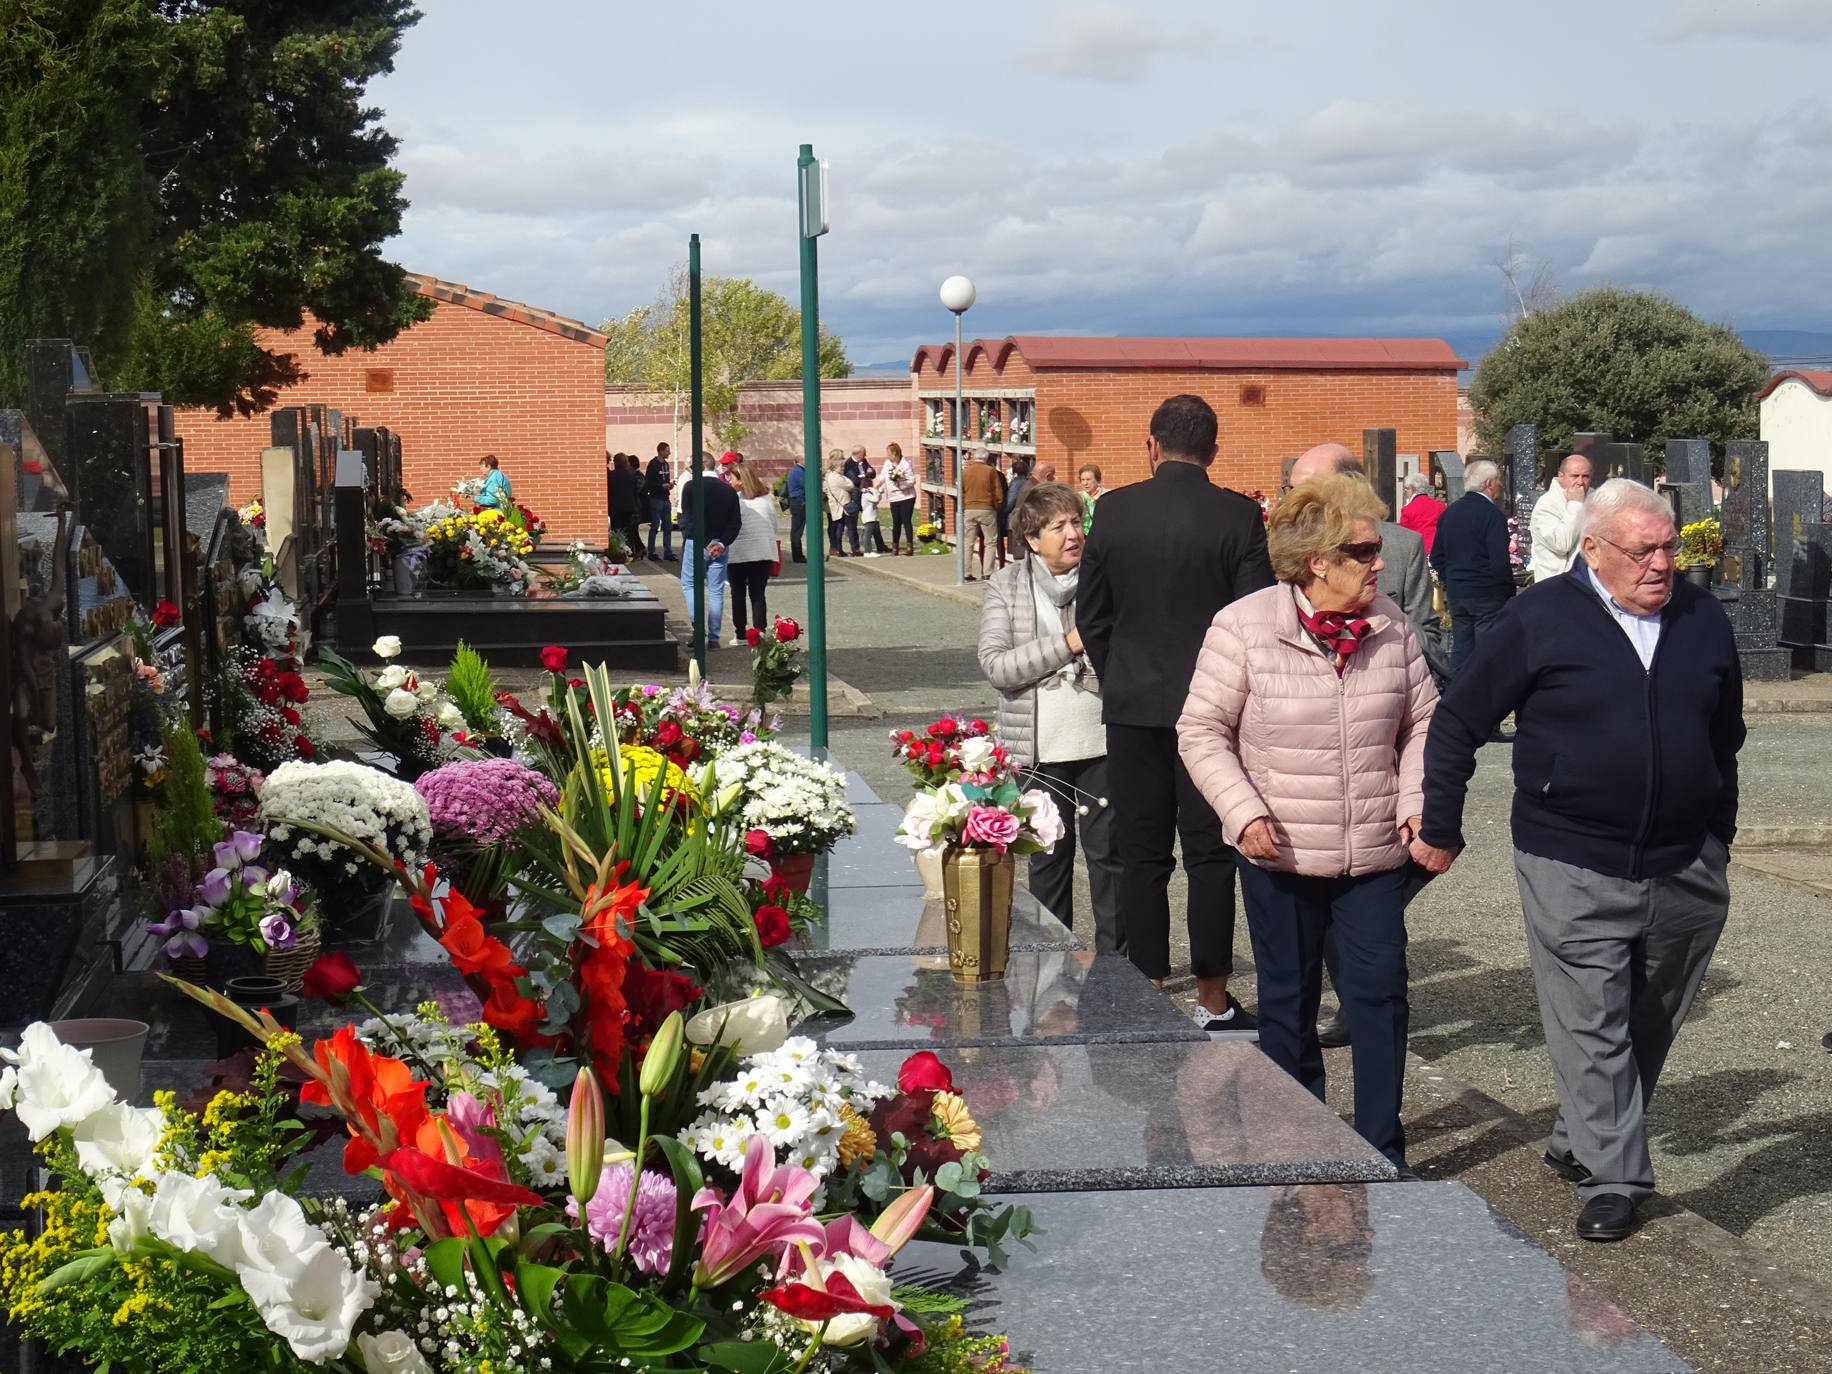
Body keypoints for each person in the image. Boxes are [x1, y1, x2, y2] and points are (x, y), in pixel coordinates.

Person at [1416, 478, 1744, 1242]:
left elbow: (1724, 737)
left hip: (1685, 862)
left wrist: (1717, 831)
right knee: (1591, 1021)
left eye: (1671, 546)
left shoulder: (1702, 619)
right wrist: (1440, 821)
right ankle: (1617, 1177)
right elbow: (1459, 719)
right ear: (1592, 549)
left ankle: (1578, 1135)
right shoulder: (1540, 618)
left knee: (1651, 1018)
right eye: (1644, 550)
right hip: (1571, 857)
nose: (1662, 563)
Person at [1178, 474, 1435, 1167]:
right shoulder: (1244, 627)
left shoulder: (1393, 628)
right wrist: (1243, 810)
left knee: (1380, 998)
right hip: (1280, 854)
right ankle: (1299, 1147)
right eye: (1364, 551)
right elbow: (1201, 730)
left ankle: (1382, 1148)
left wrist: (1415, 806)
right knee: (1287, 1007)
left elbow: (1423, 725)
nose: (1380, 564)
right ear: (1317, 560)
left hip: (1374, 854)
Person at [1078, 394, 1275, 1031]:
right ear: (1213, 452)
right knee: (1211, 855)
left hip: (1132, 703)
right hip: (1212, 711)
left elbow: (1093, 615)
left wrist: (1121, 679)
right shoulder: (1240, 517)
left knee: (1140, 852)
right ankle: (1213, 997)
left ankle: (1147, 984)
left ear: (1152, 445)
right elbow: (1255, 620)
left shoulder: (1113, 510)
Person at [1284, 443, 1448, 1050]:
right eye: (1291, 489)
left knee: (1373, 894)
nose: (1292, 502)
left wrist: (1385, 652)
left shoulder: (1400, 548)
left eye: (1307, 488)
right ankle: (1347, 996)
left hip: (1386, 744)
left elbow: (1426, 633)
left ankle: (1368, 997)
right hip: (1307, 760)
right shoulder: (1285, 545)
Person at [978, 482, 1121, 952]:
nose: (1072, 533)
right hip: (1039, 748)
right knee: (1048, 861)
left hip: (1102, 738)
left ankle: (1118, 971)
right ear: (1032, 539)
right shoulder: (1006, 585)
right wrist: (1070, 644)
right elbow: (998, 666)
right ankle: (1049, 968)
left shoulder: (1106, 578)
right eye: (1058, 525)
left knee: (1110, 862)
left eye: (1077, 522)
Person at [1429, 458, 1515, 676]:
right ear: (1489, 484)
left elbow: (1437, 555)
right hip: (1487, 594)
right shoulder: (1492, 515)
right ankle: (1486, 697)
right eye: (1498, 481)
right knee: (1487, 651)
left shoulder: (1450, 513)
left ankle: (1458, 693)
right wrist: (1506, 593)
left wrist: (1450, 581)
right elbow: (1499, 562)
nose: (1500, 486)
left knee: (1462, 648)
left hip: (1459, 592)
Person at [677, 453, 742, 648]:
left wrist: (706, 543)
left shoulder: (690, 487)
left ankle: (699, 629)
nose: (689, 469)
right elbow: (735, 523)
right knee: (716, 590)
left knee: (689, 584)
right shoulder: (728, 490)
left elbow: (688, 519)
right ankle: (714, 637)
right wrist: (721, 543)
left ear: (701, 465)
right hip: (720, 546)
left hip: (696, 543)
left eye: (691, 466)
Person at [725, 463, 778, 644]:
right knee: (757, 593)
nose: (729, 481)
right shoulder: (766, 499)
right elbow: (773, 524)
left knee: (737, 593)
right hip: (763, 551)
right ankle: (759, 631)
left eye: (732, 478)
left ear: (741, 481)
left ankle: (740, 633)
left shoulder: (734, 500)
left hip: (738, 552)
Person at [1529, 453, 1593, 582]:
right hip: (1555, 584)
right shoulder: (1547, 504)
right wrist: (1575, 505)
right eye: (1574, 476)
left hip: (1588, 582)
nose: (1580, 482)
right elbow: (1561, 544)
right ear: (1561, 476)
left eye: (1585, 476)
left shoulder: (1595, 499)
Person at [960, 449, 1005, 581]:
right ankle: (987, 573)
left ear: (974, 457)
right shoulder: (990, 471)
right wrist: (998, 505)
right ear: (986, 458)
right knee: (990, 542)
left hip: (969, 509)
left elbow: (961, 490)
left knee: (968, 542)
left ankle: (966, 573)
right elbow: (997, 490)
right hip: (987, 509)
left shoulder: (965, 471)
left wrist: (964, 505)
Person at [881, 442, 918, 556]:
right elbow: (882, 476)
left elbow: (912, 480)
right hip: (893, 497)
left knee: (906, 521)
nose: (887, 455)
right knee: (896, 522)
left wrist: (901, 484)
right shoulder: (887, 464)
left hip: (906, 497)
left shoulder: (905, 464)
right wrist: (875, 486)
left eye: (889, 453)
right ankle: (895, 546)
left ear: (894, 453)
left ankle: (909, 546)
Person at [1398, 471, 1445, 555]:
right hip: (1438, 548)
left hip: (1418, 550)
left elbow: (1403, 534)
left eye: (1406, 489)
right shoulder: (1440, 506)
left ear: (1411, 489)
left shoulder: (1408, 509)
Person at [644, 443, 676, 561]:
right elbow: (648, 484)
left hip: (665, 498)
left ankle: (668, 552)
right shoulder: (653, 465)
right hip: (656, 498)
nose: (669, 453)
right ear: (661, 451)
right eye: (667, 451)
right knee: (655, 526)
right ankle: (651, 552)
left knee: (668, 527)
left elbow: (665, 481)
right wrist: (661, 486)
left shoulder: (666, 465)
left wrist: (669, 486)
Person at [608, 453, 644, 554]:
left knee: (616, 531)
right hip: (629, 508)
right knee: (628, 531)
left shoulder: (611, 476)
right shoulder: (631, 476)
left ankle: (617, 552)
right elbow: (635, 491)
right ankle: (629, 552)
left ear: (615, 462)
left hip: (615, 508)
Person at [1001, 456, 1034, 562]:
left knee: (1018, 553)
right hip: (1027, 518)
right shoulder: (1030, 482)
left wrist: (1003, 513)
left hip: (1016, 519)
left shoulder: (1016, 483)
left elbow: (1010, 501)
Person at [822, 451, 853, 558]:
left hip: (831, 502)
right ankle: (835, 547)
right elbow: (849, 485)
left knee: (833, 525)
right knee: (836, 526)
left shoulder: (828, 472)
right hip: (833, 503)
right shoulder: (832, 473)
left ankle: (834, 547)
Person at [783, 454, 808, 563]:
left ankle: (798, 555)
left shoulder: (796, 470)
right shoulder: (799, 472)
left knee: (796, 530)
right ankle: (798, 556)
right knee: (797, 530)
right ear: (801, 461)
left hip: (797, 501)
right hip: (799, 502)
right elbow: (807, 484)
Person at [1078, 464, 1107, 532]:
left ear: (1098, 480)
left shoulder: (1107, 496)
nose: (1085, 483)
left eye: (1088, 479)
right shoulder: (1076, 498)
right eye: (1083, 480)